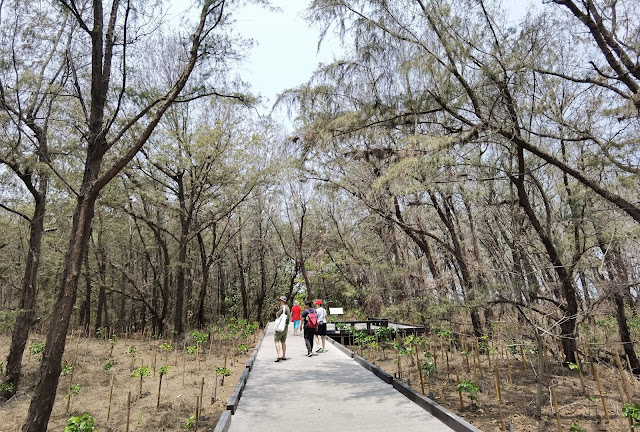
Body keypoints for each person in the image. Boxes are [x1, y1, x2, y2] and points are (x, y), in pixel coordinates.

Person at [274, 295, 290, 362]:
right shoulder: (288, 308)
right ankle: (284, 356)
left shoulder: (282, 307)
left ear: (283, 301)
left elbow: (277, 314)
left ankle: (279, 355)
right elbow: (288, 318)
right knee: (283, 341)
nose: (279, 302)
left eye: (280, 300)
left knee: (276, 340)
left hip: (280, 327)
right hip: (285, 327)